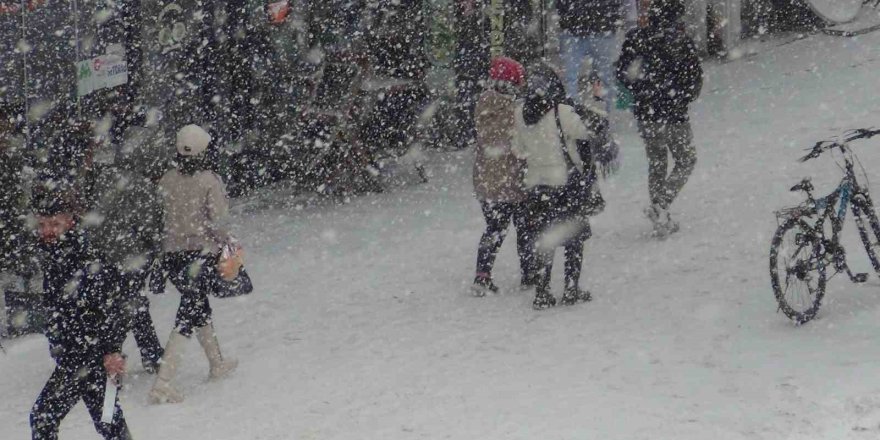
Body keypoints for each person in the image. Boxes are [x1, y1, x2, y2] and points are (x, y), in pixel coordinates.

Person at [29, 178, 132, 440]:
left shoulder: (84, 259)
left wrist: (111, 349)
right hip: (76, 353)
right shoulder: (56, 257)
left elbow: (113, 305)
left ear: (70, 222)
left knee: (43, 418)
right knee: (109, 422)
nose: (47, 231)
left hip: (86, 354)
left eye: (54, 224)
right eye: (42, 225)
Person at [149, 124, 238, 404]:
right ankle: (163, 382)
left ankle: (216, 363)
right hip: (200, 255)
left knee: (197, 306)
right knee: (188, 313)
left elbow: (156, 219)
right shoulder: (209, 181)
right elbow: (220, 223)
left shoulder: (165, 180)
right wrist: (226, 245)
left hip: (172, 257)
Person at [615, 0, 702, 237]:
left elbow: (621, 73)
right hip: (674, 114)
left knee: (657, 162)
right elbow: (695, 78)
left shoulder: (636, 39)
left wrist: (641, 90)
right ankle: (661, 204)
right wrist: (682, 98)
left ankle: (660, 217)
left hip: (647, 113)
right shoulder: (681, 41)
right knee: (686, 159)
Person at [511, 65, 596, 309]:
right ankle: (571, 288)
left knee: (544, 239)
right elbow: (587, 132)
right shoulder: (563, 111)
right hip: (565, 184)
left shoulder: (519, 113)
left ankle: (542, 291)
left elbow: (518, 150)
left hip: (536, 186)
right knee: (573, 239)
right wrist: (595, 102)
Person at [471, 56, 533, 296]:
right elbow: (518, 145)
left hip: (486, 181)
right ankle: (529, 273)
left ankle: (482, 275)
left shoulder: (483, 104)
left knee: (494, 228)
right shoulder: (514, 111)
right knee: (525, 228)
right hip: (512, 180)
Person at [555, 0, 625, 111]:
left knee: (570, 79)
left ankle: (572, 116)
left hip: (587, 28)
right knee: (607, 78)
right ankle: (608, 118)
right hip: (595, 27)